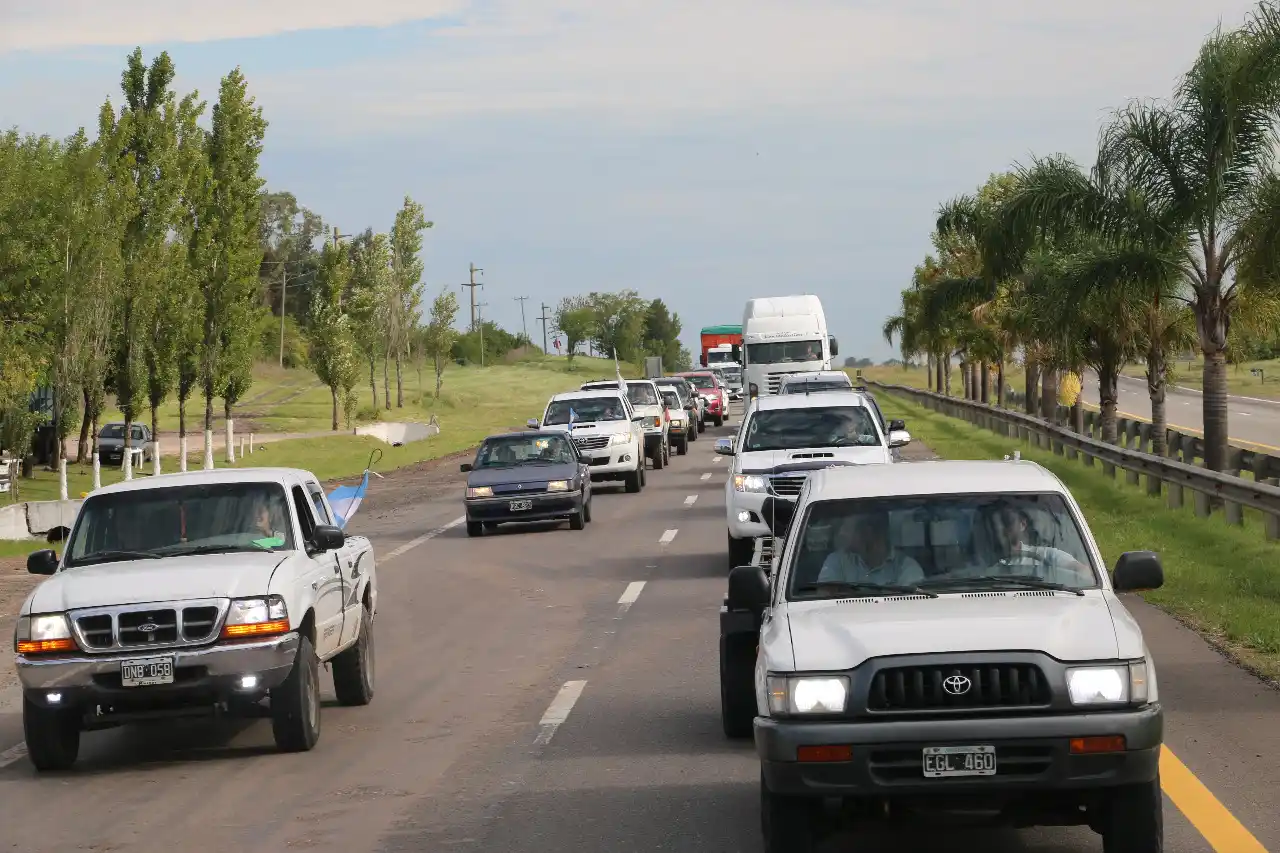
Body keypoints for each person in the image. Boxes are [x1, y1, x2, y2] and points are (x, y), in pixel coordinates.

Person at [816, 511, 924, 591]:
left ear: (867, 532)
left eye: (847, 528)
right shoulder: (837, 561)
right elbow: (824, 597)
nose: (841, 534)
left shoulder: (907, 568)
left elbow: (909, 605)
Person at [988, 504, 1094, 585]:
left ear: (1022, 525)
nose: (1000, 529)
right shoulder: (981, 561)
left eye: (1007, 522)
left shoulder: (1047, 555)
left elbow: (1083, 572)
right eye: (995, 524)